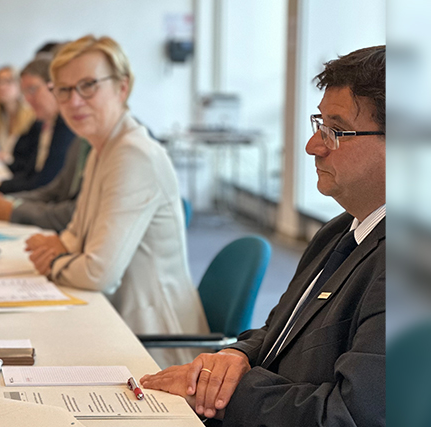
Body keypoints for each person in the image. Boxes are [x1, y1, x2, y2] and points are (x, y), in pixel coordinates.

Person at [140, 45, 386, 426]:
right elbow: (277, 330)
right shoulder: (340, 229)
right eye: (319, 125)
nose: (313, 146)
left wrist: (222, 391)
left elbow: (349, 417)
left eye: (336, 131)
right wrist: (235, 358)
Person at [24, 35, 209, 367]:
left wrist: (53, 262)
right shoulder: (102, 146)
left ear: (122, 88)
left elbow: (98, 273)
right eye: (63, 90)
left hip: (155, 345)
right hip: (116, 321)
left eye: (88, 86)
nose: (74, 101)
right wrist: (60, 247)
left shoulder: (133, 155)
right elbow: (74, 236)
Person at [0, 57, 76, 194]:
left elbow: (44, 182)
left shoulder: (66, 127)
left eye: (33, 89)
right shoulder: (46, 123)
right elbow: (29, 173)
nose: (28, 99)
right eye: (25, 92)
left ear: (53, 87)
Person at [0, 137, 90, 232]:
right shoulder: (80, 141)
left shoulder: (69, 135)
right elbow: (54, 191)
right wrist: (5, 200)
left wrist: (13, 209)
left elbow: (75, 214)